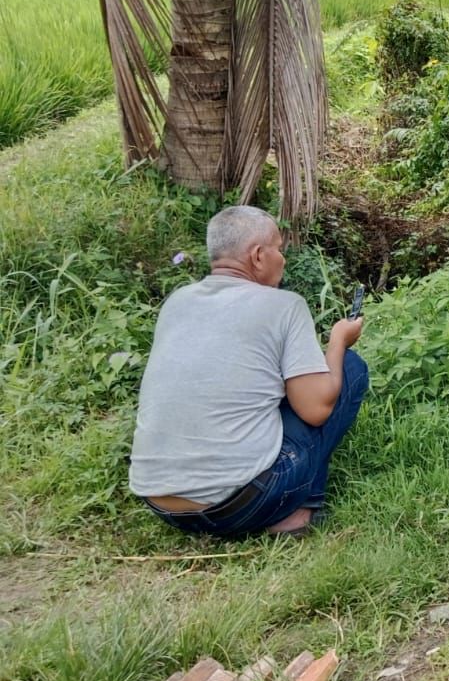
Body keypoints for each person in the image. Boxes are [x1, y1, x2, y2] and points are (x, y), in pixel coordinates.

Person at [129, 206, 368, 537]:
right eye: (279, 249)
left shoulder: (177, 302)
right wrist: (338, 340)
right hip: (242, 506)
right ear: (258, 256)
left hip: (161, 504)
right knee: (350, 368)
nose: (283, 259)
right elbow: (316, 410)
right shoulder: (284, 306)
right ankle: (295, 513)